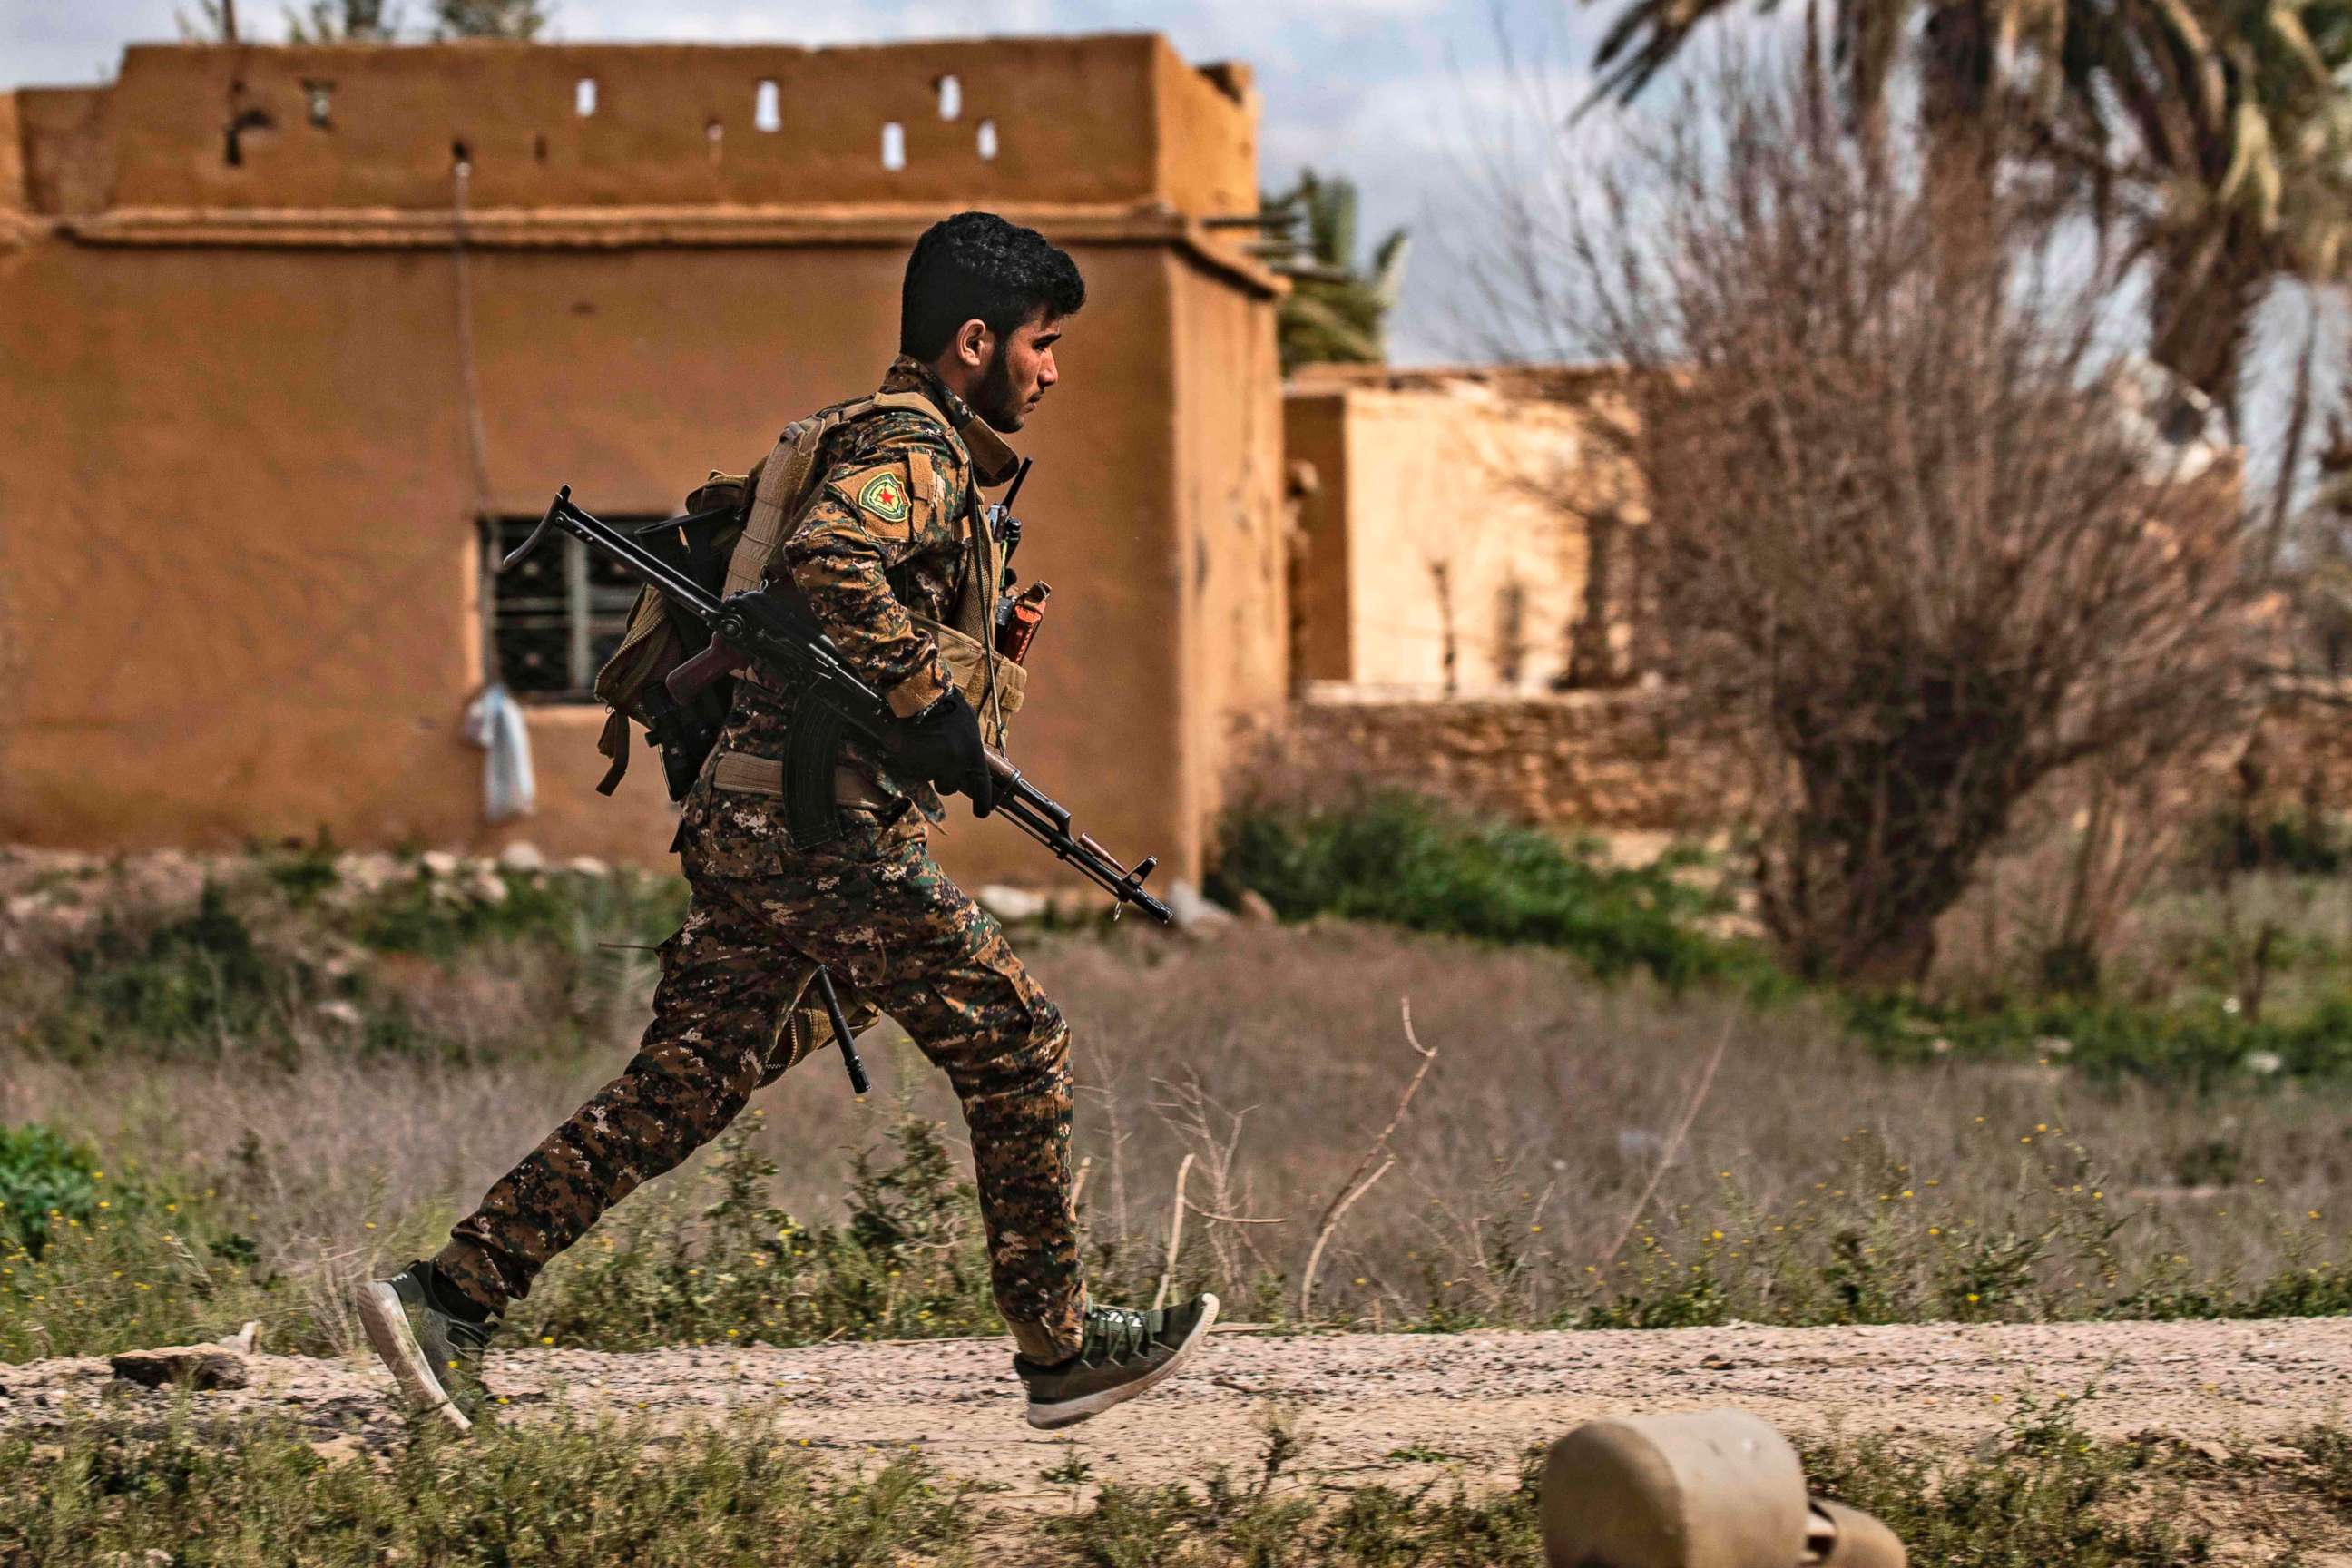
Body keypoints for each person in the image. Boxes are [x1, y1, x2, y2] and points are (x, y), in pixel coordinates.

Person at [357, 211, 1216, 1433]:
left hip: (758, 821)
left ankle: (449, 1294)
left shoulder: (869, 439)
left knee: (688, 1084)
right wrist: (928, 703)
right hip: (824, 835)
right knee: (1018, 1040)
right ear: (976, 342)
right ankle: (1061, 1348)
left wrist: (933, 724)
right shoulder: (912, 453)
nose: (1053, 370)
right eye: (1044, 342)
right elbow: (828, 559)